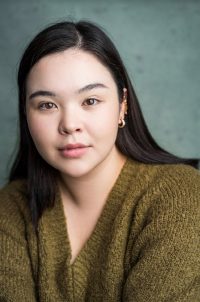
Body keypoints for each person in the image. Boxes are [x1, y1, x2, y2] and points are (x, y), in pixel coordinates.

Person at [0, 20, 199, 302]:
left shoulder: (179, 196)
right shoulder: (11, 208)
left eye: (90, 101)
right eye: (47, 105)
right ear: (26, 115)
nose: (70, 125)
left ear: (123, 104)